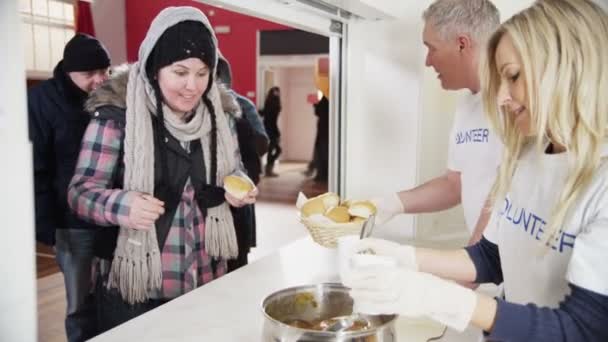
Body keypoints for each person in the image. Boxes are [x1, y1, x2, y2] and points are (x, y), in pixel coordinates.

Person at [343, 0, 608, 340]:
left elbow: (582, 329)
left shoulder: (600, 182)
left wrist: (444, 298)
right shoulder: (526, 156)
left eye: (513, 76)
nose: (500, 99)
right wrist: (402, 258)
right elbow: (490, 256)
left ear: (568, 69)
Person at [67, 7, 257, 331]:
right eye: (180, 72)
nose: (192, 86)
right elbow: (79, 193)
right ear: (155, 69)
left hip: (207, 277)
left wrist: (238, 185)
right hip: (137, 289)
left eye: (202, 73)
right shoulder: (117, 117)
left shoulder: (218, 118)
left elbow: (234, 169)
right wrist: (122, 206)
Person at [372, 0, 502, 245]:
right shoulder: (467, 104)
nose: (428, 61)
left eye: (431, 48)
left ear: (462, 44)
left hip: (498, 267)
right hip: (488, 269)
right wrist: (392, 203)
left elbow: (505, 198)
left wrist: (471, 269)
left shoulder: (514, 104)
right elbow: (454, 185)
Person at [28, 33, 111, 342]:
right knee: (79, 305)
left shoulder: (111, 95)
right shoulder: (41, 102)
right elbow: (35, 168)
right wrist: (46, 226)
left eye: (104, 71)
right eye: (88, 74)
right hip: (70, 222)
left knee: (115, 297)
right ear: (67, 72)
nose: (99, 80)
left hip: (112, 216)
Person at [216, 54, 267, 270]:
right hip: (205, 211)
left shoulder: (241, 105)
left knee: (236, 266)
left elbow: (261, 144)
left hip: (237, 203)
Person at [261, 86, 282, 177]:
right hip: (272, 130)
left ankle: (268, 169)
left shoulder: (270, 103)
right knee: (275, 150)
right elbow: (268, 115)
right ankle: (268, 170)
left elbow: (264, 113)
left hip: (269, 129)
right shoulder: (274, 104)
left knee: (274, 150)